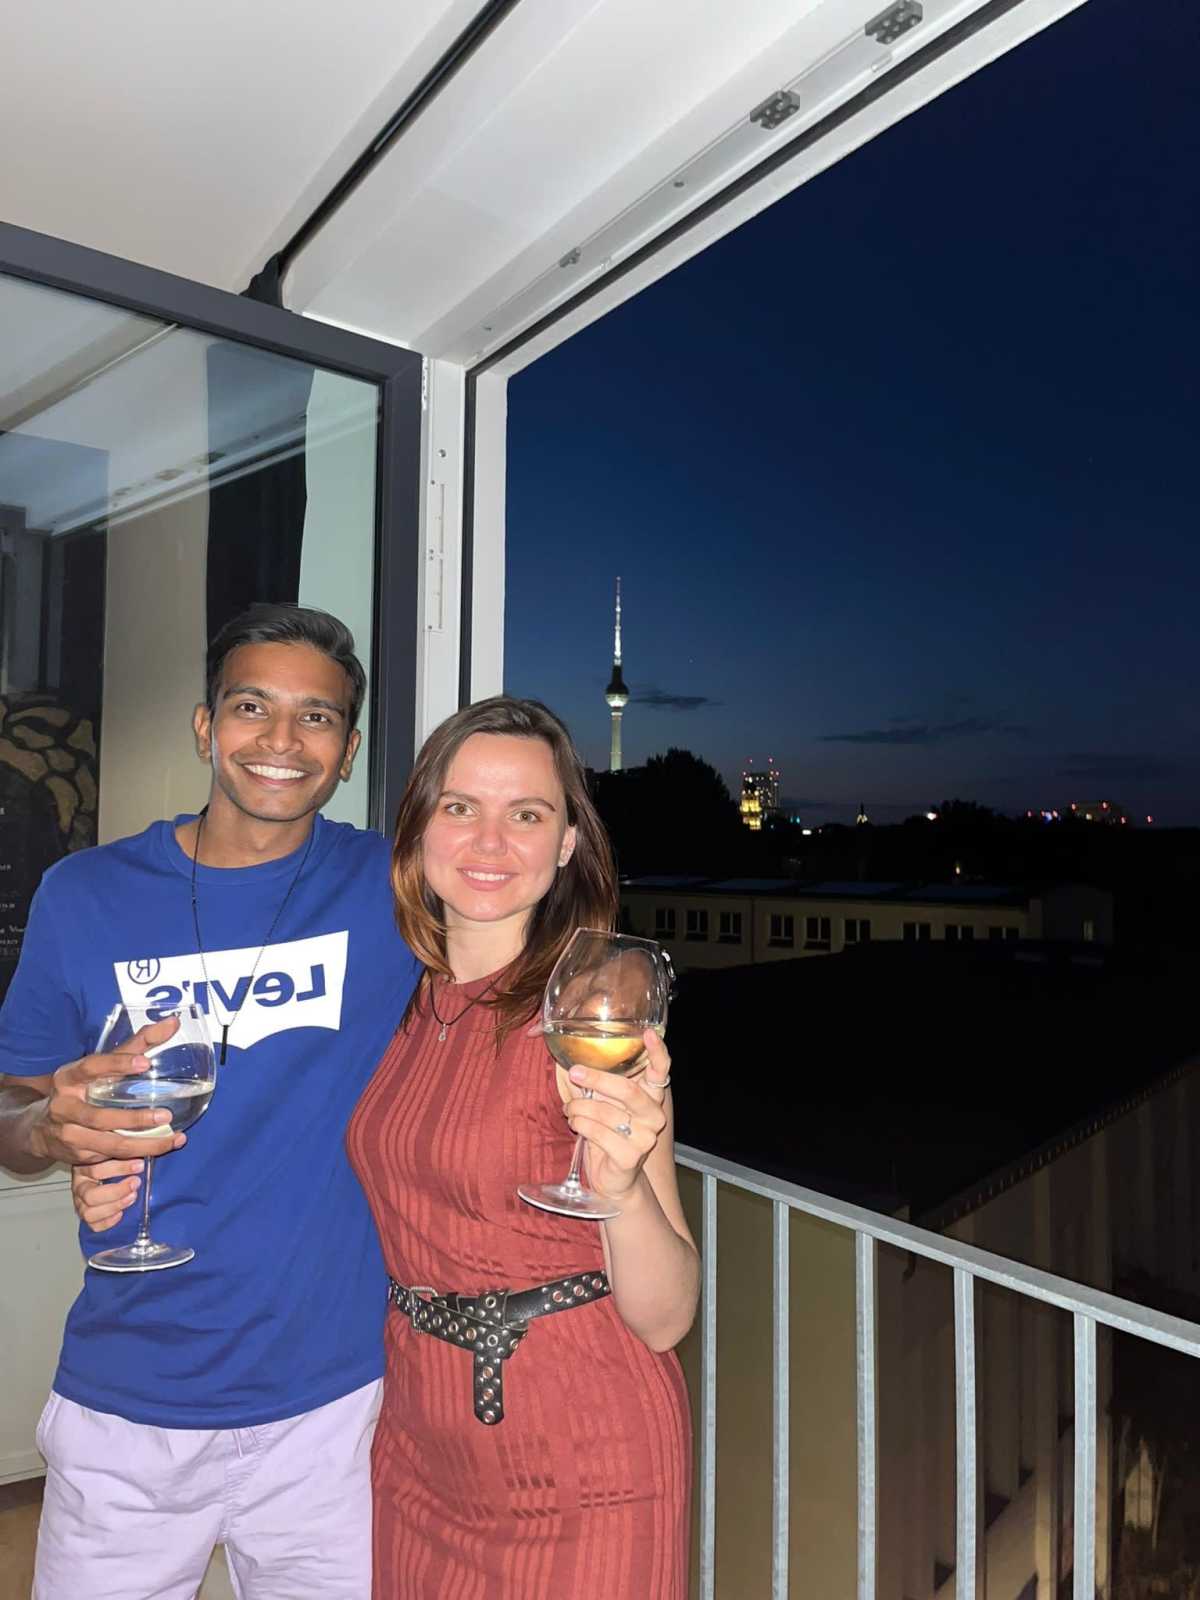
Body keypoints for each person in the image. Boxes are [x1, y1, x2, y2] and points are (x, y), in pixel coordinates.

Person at [0, 603, 419, 1600]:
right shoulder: (83, 893)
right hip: (128, 1401)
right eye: (251, 706)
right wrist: (46, 1127)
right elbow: (13, 1108)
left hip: (337, 1409)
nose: (282, 740)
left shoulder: (395, 888)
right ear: (206, 726)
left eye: (317, 717)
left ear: (349, 750)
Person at [346, 695, 698, 1599]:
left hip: (585, 1458)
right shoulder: (400, 993)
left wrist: (623, 1189)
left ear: (568, 843)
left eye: (528, 814)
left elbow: (666, 1317)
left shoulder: (596, 1013)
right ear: (419, 827)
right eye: (461, 806)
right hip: (418, 1445)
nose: (490, 841)